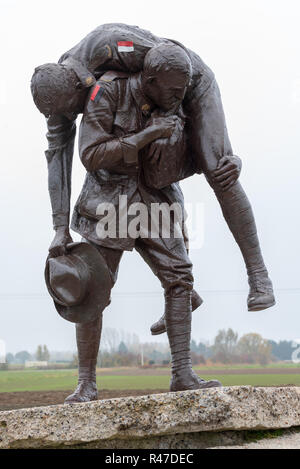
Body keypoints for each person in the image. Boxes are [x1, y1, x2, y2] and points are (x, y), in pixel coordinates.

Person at [31, 23, 275, 335]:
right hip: (156, 102)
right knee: (144, 188)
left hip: (188, 83)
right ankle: (181, 287)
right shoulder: (59, 101)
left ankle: (258, 275)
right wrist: (59, 228)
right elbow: (58, 160)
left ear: (79, 87)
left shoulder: (111, 46)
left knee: (219, 169)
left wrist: (174, 126)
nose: (71, 118)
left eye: (72, 112)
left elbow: (171, 66)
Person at [66, 44, 222, 402]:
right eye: (171, 91)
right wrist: (147, 135)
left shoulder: (177, 102)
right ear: (150, 80)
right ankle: (86, 383)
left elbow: (198, 154)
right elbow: (91, 154)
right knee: (91, 288)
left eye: (182, 91)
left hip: (157, 198)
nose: (177, 97)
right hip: (108, 200)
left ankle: (182, 373)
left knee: (180, 278)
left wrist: (230, 162)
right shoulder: (106, 91)